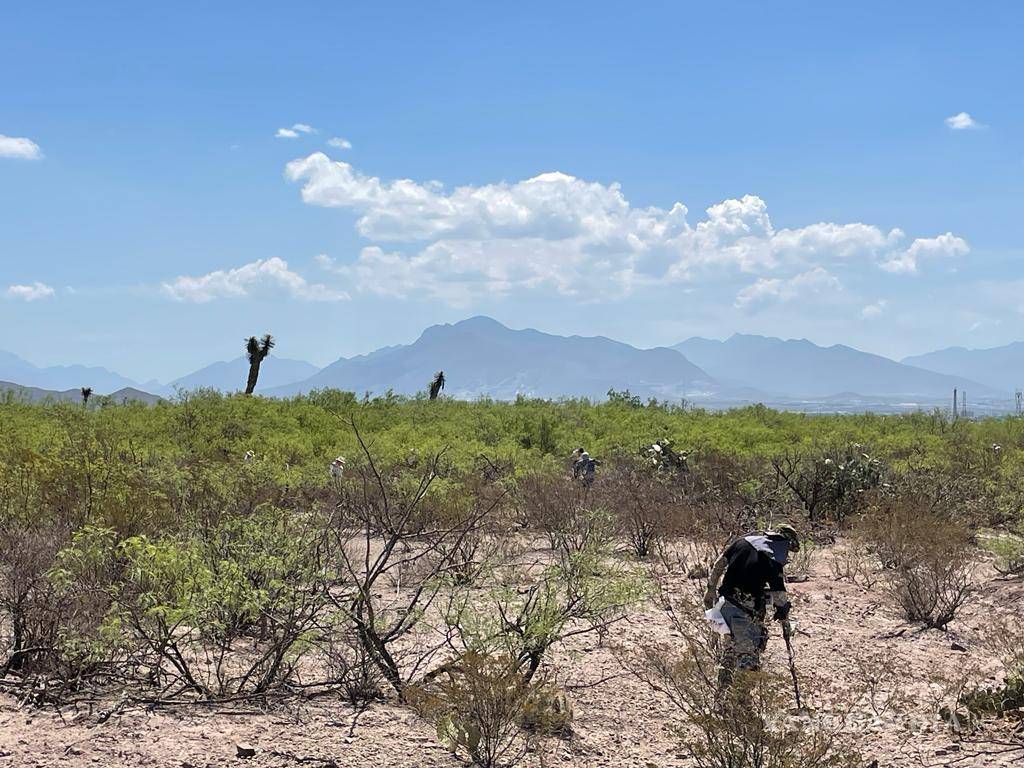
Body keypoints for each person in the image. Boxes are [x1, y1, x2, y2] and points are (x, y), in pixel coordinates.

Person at [703, 524, 800, 687]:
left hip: (724, 605)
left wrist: (710, 589)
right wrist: (784, 613)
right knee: (747, 662)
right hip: (744, 613)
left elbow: (719, 564)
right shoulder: (772, 555)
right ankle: (742, 706)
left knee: (731, 653)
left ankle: (722, 702)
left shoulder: (742, 541)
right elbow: (779, 594)